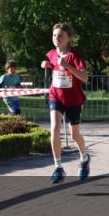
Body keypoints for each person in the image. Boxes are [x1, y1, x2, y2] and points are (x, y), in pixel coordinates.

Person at [41, 23, 91, 183]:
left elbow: (85, 77)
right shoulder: (50, 54)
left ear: (69, 38)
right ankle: (58, 167)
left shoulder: (74, 55)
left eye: (60, 35)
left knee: (74, 134)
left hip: (73, 99)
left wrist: (68, 65)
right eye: (54, 35)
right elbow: (52, 65)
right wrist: (46, 65)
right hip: (55, 96)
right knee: (54, 128)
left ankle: (84, 159)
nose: (57, 38)